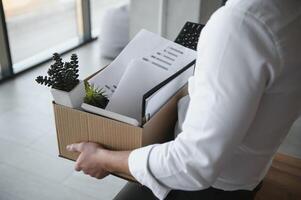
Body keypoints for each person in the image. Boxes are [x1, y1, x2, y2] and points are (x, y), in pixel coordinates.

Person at [66, 0, 301, 199]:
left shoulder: (240, 24)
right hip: (249, 174)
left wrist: (102, 158)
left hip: (203, 188)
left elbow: (193, 163)